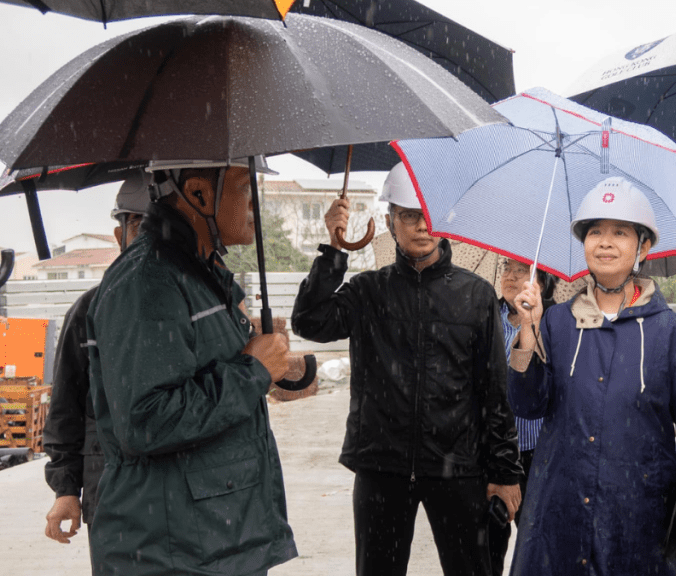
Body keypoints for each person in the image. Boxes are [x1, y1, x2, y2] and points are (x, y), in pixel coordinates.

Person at [290, 162, 522, 576]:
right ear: (389, 221)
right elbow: (310, 321)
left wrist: (504, 471)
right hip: (383, 467)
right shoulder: (367, 291)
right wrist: (335, 250)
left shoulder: (476, 295)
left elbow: (493, 392)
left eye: (429, 215)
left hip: (458, 467)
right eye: (409, 216)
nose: (421, 226)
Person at [86, 157, 297, 576]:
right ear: (200, 193)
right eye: (244, 188)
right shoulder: (148, 282)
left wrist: (275, 367)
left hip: (216, 539)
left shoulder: (199, 270)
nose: (256, 203)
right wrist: (252, 371)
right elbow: (145, 421)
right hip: (172, 550)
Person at [508, 176, 676, 575]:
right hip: (560, 512)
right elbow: (527, 404)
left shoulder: (672, 333)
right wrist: (528, 331)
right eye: (595, 232)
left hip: (642, 519)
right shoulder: (556, 321)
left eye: (620, 232)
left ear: (644, 246)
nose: (605, 243)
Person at [43, 170, 150, 549]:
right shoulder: (90, 309)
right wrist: (66, 488)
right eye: (140, 226)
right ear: (120, 235)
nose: (151, 241)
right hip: (111, 491)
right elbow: (65, 407)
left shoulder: (205, 305)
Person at [490, 258, 556, 576]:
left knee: (537, 547)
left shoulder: (555, 324)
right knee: (487, 543)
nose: (511, 277)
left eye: (522, 271)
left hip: (538, 455)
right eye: (507, 269)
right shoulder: (485, 319)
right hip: (492, 454)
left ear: (541, 284)